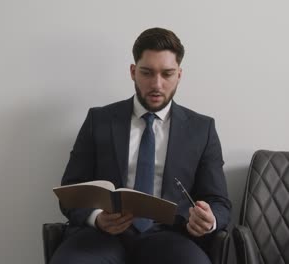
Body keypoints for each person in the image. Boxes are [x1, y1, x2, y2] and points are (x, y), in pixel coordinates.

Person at [50, 27, 231, 264]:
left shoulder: (202, 129)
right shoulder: (99, 120)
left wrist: (210, 220)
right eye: (147, 73)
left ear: (179, 75)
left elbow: (220, 202)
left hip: (170, 236)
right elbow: (71, 191)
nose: (157, 84)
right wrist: (96, 217)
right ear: (133, 72)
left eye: (167, 74)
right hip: (99, 235)